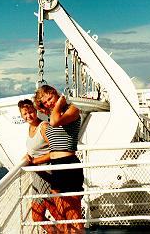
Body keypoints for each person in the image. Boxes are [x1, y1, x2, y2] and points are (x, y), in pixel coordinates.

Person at [33, 85, 85, 232]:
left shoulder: (72, 110)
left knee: (73, 216)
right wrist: (35, 160)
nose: (49, 103)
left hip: (69, 166)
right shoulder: (52, 114)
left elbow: (55, 122)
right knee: (61, 216)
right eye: (45, 102)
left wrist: (60, 103)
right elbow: (42, 112)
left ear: (56, 94)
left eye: (50, 98)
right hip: (56, 167)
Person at [18, 99, 63, 233]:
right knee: (44, 215)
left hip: (47, 174)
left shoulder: (43, 126)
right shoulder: (30, 128)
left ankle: (67, 232)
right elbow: (36, 149)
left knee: (43, 215)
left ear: (35, 111)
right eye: (25, 114)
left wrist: (36, 161)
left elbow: (57, 150)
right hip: (38, 177)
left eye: (30, 112)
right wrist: (27, 156)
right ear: (21, 116)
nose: (28, 116)